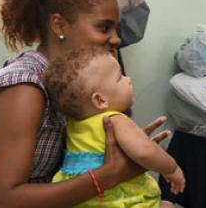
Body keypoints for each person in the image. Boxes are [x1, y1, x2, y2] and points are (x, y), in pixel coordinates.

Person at [0, 0, 169, 208]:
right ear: (59, 25)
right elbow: (0, 201)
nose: (116, 39)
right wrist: (110, 174)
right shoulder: (24, 89)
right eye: (104, 28)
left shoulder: (71, 83)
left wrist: (123, 151)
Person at [44, 46, 185, 207]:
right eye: (120, 77)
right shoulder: (115, 120)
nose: (128, 79)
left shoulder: (72, 127)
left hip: (83, 199)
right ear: (100, 100)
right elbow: (144, 151)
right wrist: (171, 169)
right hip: (116, 198)